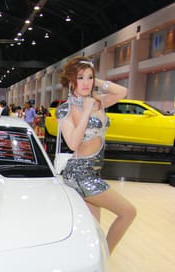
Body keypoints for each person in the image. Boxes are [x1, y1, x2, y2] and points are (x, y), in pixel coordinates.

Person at [56, 56, 136, 253]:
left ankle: (90, 264)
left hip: (94, 172)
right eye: (80, 78)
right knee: (128, 212)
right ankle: (104, 258)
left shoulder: (98, 100)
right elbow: (73, 143)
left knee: (93, 230)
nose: (85, 83)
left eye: (89, 78)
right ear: (70, 80)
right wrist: (85, 111)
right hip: (80, 175)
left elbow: (122, 91)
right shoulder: (65, 109)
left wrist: (93, 79)